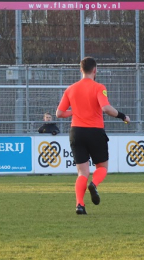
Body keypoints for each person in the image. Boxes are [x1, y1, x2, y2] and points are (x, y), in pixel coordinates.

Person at [55, 57, 130, 215]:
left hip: (76, 132)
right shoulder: (99, 87)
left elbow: (59, 113)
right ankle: (94, 185)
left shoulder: (70, 89)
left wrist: (74, 112)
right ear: (95, 70)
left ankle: (80, 205)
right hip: (95, 131)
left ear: (81, 70)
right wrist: (123, 116)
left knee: (82, 172)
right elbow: (106, 108)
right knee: (102, 167)